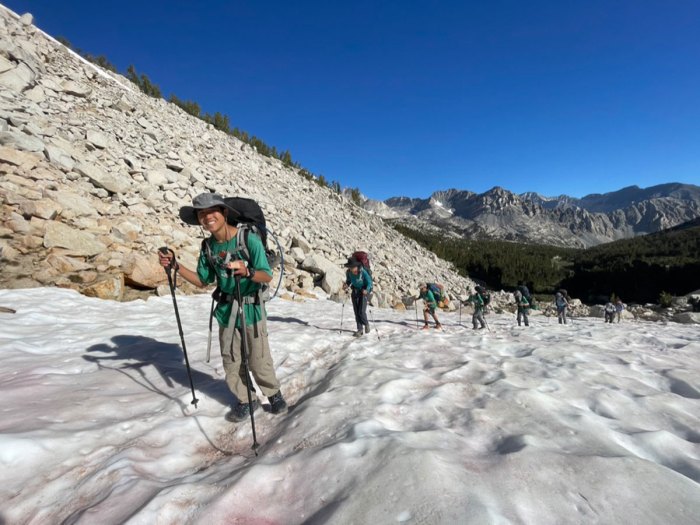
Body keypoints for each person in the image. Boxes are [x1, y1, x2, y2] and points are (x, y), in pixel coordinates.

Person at [158, 192, 287, 422]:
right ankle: (246, 399)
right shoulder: (208, 246)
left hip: (251, 309)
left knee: (258, 359)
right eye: (201, 214)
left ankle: (273, 394)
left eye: (211, 211)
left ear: (224, 212)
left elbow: (266, 275)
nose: (207, 217)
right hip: (226, 312)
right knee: (231, 360)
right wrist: (176, 266)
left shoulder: (248, 240)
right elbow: (202, 280)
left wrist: (247, 271)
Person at [343, 257, 373, 337]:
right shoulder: (349, 272)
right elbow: (349, 281)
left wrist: (367, 290)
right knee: (356, 312)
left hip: (363, 292)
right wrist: (346, 285)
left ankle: (366, 324)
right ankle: (359, 330)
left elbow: (369, 282)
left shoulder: (362, 272)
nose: (351, 269)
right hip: (355, 292)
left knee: (361, 311)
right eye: (350, 267)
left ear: (357, 266)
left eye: (352, 267)